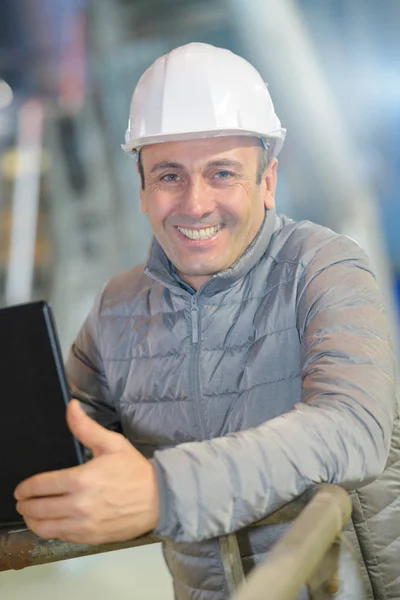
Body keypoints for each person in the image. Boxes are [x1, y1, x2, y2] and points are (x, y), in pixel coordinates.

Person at [14, 43, 399, 599]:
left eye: (222, 173)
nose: (195, 204)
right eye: (169, 176)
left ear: (267, 182)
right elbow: (57, 443)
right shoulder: (117, 309)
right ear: (142, 188)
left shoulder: (324, 267)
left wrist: (163, 490)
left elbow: (351, 427)